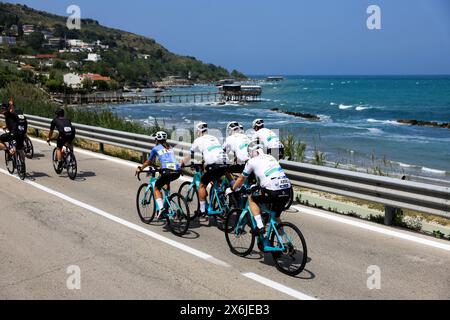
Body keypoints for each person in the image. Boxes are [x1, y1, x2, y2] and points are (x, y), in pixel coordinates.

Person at [226, 140, 292, 235]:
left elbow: (241, 178)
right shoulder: (271, 157)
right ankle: (285, 243)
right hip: (287, 190)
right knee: (275, 216)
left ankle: (260, 226)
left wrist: (232, 189)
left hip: (273, 190)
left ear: (252, 152)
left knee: (252, 198)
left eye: (249, 153)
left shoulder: (251, 161)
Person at [181, 122, 230, 216]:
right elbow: (209, 152)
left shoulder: (198, 140)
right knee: (214, 181)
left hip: (214, 164)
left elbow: (190, 155)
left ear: (198, 131)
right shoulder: (214, 138)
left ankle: (202, 210)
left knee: (202, 185)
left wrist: (182, 163)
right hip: (225, 162)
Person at [136, 131, 181, 218]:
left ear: (156, 139)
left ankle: (161, 209)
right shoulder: (170, 147)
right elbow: (169, 160)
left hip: (167, 170)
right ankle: (167, 204)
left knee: (156, 187)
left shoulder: (155, 148)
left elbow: (149, 162)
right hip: (177, 171)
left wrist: (140, 169)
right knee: (165, 181)